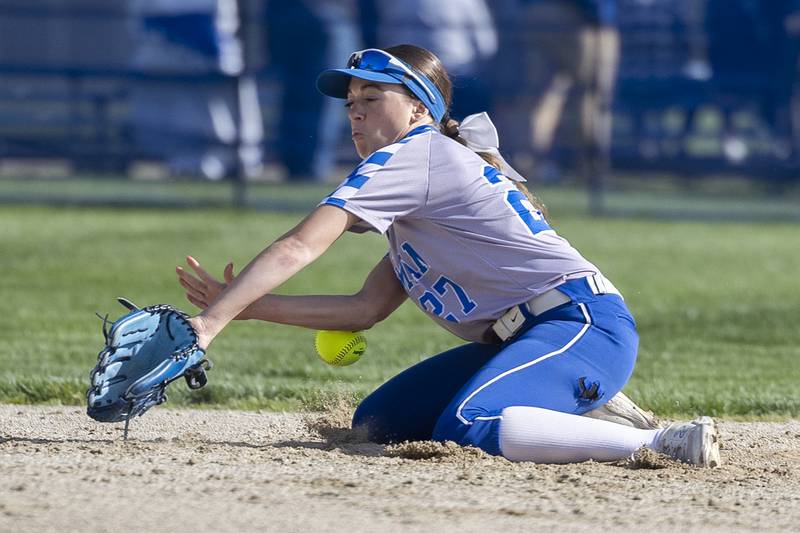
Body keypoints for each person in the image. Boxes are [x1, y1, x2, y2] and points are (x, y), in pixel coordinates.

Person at [176, 44, 721, 466]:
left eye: (373, 98)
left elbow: (301, 244)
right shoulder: (421, 184)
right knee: (378, 421)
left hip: (580, 324)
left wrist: (209, 323)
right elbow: (363, 310)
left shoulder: (415, 156)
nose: (355, 114)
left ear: (417, 107)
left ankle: (660, 442)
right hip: (534, 335)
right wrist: (244, 307)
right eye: (351, 103)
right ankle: (581, 404)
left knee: (467, 423)